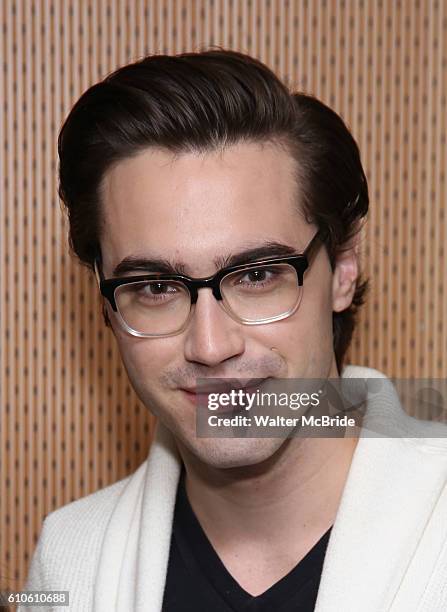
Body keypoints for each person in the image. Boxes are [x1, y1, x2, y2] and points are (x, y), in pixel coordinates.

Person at [22, 48, 447, 612]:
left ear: (343, 269)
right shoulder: (70, 559)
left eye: (257, 274)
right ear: (106, 301)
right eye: (155, 287)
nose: (211, 346)